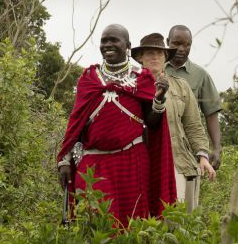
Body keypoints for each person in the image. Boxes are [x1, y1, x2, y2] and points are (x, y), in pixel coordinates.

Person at [57, 24, 177, 227]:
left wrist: (158, 99)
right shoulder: (88, 79)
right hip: (93, 164)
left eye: (114, 40)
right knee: (93, 225)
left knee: (130, 226)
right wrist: (65, 160)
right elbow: (76, 122)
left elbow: (152, 123)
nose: (108, 45)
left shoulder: (142, 79)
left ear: (128, 46)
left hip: (131, 161)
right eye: (104, 41)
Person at [131, 33, 216, 211]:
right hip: (141, 163)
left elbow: (193, 125)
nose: (155, 57)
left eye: (160, 53)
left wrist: (202, 155)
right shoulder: (130, 86)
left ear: (166, 57)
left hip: (178, 162)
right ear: (140, 58)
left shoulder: (181, 86)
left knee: (179, 222)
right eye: (149, 53)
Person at [166, 25, 224, 170]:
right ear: (168, 42)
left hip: (189, 150)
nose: (181, 49)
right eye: (176, 43)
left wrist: (216, 149)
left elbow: (211, 114)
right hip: (160, 145)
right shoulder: (154, 70)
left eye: (187, 45)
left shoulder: (200, 75)